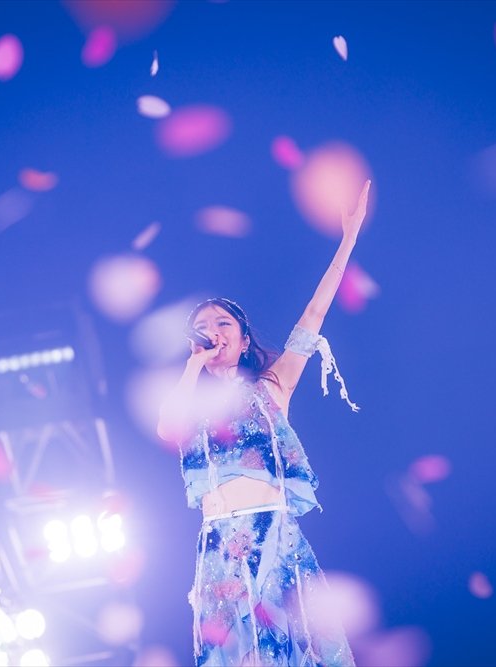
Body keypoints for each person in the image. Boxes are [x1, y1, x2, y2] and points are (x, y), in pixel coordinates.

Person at [157, 180, 371, 666]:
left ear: (244, 337)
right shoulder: (193, 401)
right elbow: (169, 429)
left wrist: (348, 240)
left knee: (295, 647)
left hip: (274, 535)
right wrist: (192, 365)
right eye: (203, 328)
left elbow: (314, 314)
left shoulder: (272, 386)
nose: (213, 333)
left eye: (223, 324)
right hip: (220, 545)